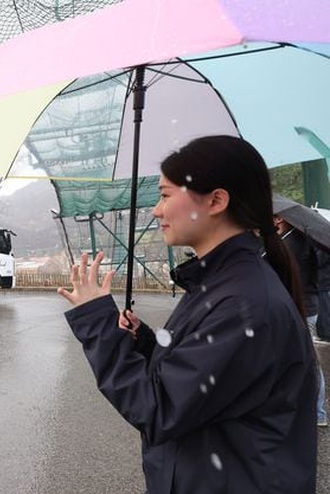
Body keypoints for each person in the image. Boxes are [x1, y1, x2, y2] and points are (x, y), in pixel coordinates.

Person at [58, 135, 317, 494]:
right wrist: (145, 340)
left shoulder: (244, 304)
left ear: (215, 200)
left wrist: (98, 324)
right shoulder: (225, 283)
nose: (156, 210)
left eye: (165, 195)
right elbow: (204, 375)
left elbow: (160, 409)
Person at [273, 212, 329, 427]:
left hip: (300, 307)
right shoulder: (298, 239)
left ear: (280, 219)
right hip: (305, 305)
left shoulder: (291, 243)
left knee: (306, 361)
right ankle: (314, 412)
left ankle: (317, 413)